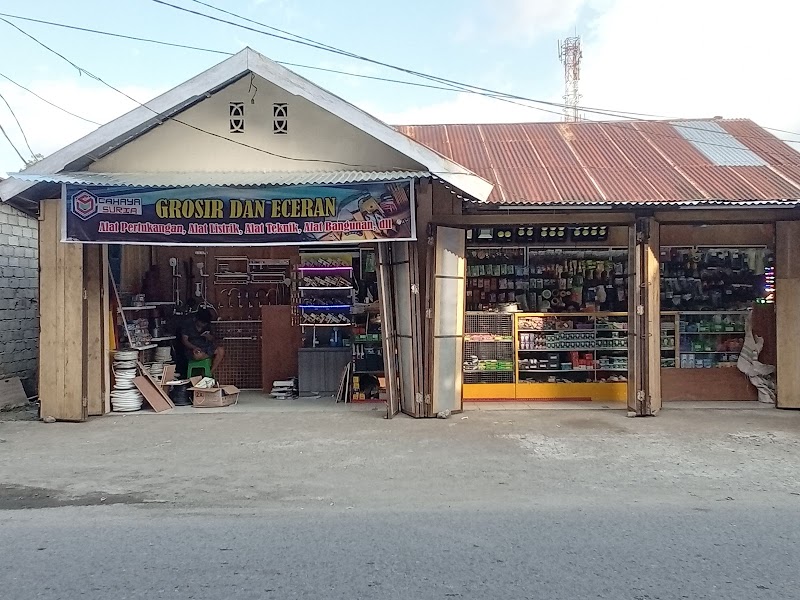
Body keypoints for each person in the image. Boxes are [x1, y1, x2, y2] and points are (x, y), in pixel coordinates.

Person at [181, 308, 225, 376]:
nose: (203, 325)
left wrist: (209, 337)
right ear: (197, 319)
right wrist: (194, 347)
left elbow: (213, 339)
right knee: (198, 355)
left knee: (221, 350)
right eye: (202, 322)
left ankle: (209, 373)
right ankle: (204, 371)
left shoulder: (208, 326)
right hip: (193, 349)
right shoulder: (188, 325)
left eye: (205, 323)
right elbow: (185, 340)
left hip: (207, 347)